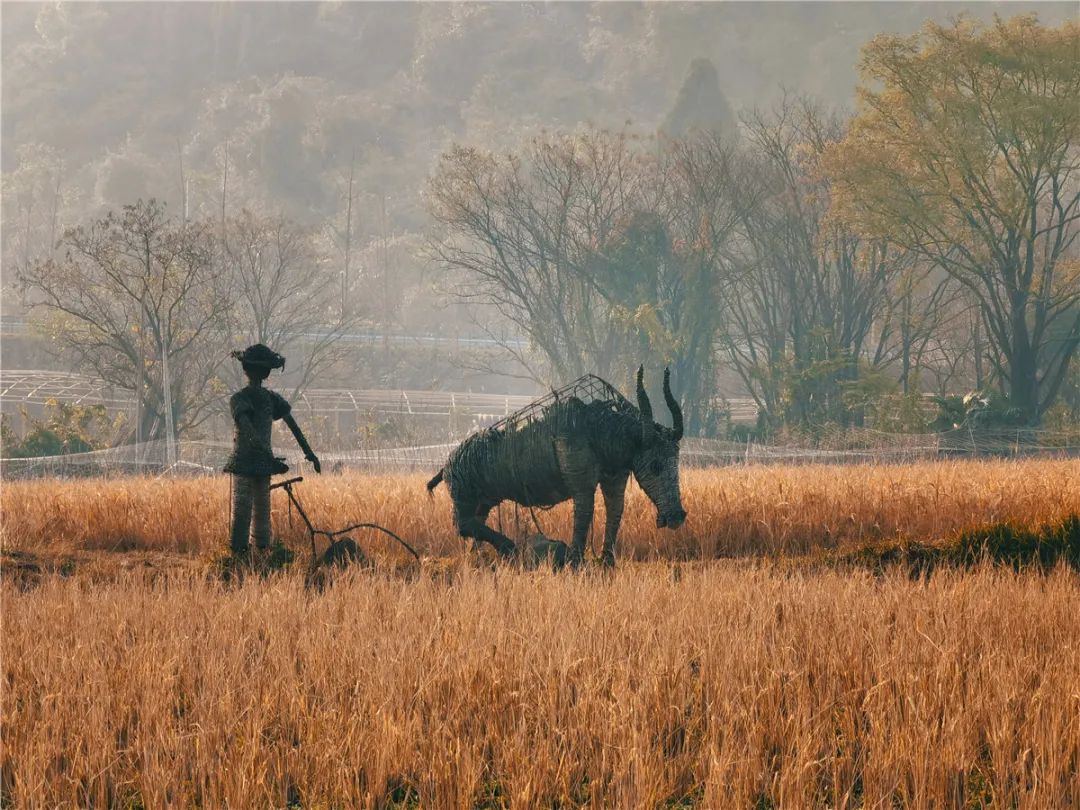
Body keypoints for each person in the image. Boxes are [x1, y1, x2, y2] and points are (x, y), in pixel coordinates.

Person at [224, 344, 321, 555]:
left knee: (260, 512)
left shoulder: (265, 399)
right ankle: (241, 555)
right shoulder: (241, 399)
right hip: (247, 461)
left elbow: (292, 424)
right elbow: (247, 431)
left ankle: (261, 553)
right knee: (243, 511)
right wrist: (269, 456)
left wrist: (310, 453)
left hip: (259, 463)